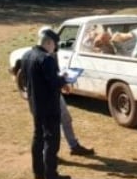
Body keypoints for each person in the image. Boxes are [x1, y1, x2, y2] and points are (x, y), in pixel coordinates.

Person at [21, 28, 71, 179]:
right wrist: (64, 79)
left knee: (38, 137)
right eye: (54, 45)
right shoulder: (47, 59)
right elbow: (54, 83)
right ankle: (51, 175)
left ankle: (38, 171)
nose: (54, 48)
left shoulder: (26, 55)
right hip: (49, 105)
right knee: (51, 139)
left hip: (35, 104)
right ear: (48, 42)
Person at [37, 26, 95, 157]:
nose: (54, 44)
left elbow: (55, 72)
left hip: (55, 92)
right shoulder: (40, 56)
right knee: (49, 125)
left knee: (66, 119)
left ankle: (73, 146)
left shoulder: (53, 52)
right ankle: (49, 154)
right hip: (46, 96)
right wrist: (61, 81)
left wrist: (63, 82)